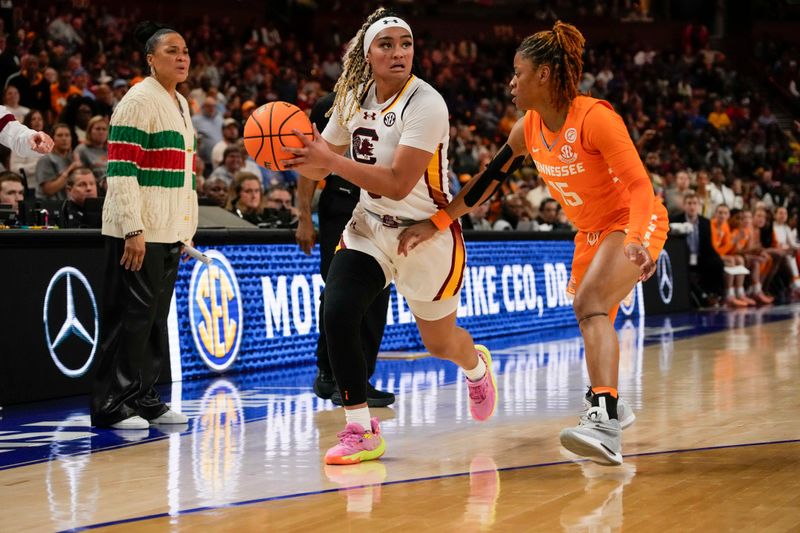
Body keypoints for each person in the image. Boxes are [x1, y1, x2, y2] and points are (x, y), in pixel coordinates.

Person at [398, 21, 663, 465]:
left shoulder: (595, 117)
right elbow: (490, 179)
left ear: (543, 75)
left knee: (591, 304)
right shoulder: (527, 128)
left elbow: (640, 185)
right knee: (591, 314)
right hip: (590, 233)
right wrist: (439, 221)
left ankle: (604, 421)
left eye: (518, 73)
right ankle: (612, 402)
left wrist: (637, 239)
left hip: (633, 220)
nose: (511, 83)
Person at [285, 8, 497, 465]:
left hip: (427, 233)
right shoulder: (351, 98)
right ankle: (360, 429)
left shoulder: (427, 102)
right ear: (368, 54)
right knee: (337, 312)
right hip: (369, 226)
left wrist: (329, 161)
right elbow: (323, 161)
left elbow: (400, 182)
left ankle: (475, 365)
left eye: (406, 44)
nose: (398, 52)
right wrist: (291, 154)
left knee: (440, 344)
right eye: (387, 44)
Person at [90, 22, 197, 430]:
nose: (182, 57)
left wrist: (186, 226)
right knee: (128, 320)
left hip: (168, 230)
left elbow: (184, 173)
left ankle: (144, 396)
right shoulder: (137, 100)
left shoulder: (182, 104)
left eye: (185, 50)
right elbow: (120, 171)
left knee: (154, 320)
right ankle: (110, 404)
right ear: (151, 60)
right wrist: (132, 229)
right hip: (135, 232)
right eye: (172, 50)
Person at [296, 91, 394, 407]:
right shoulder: (329, 105)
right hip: (340, 203)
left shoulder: (400, 104)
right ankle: (330, 373)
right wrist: (304, 218)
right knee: (339, 289)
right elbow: (309, 166)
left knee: (378, 292)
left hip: (381, 207)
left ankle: (358, 378)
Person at [669, 192, 724, 307]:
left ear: (699, 206)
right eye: (689, 203)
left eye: (695, 203)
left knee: (717, 263)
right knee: (686, 272)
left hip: (700, 258)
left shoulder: (705, 222)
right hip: (682, 259)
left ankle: (715, 295)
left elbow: (708, 246)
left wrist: (718, 258)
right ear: (684, 206)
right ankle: (703, 297)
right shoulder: (675, 220)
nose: (692, 206)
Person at [35, 123, 77, 200]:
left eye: (67, 135)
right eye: (60, 135)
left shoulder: (73, 158)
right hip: (50, 205)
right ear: (52, 139)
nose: (64, 138)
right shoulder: (46, 159)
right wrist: (70, 169)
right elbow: (49, 190)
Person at [74, 115, 109, 188]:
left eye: (104, 129)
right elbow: (79, 177)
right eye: (98, 129)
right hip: (92, 191)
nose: (101, 132)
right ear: (90, 131)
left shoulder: (111, 150)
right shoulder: (81, 150)